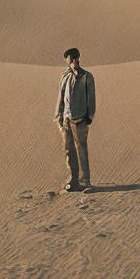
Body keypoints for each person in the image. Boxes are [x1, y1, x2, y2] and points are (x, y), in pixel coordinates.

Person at [54, 47, 95, 192]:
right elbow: (61, 97)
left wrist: (89, 117)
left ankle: (85, 181)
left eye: (70, 58)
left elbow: (91, 98)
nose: (69, 61)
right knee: (68, 150)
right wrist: (58, 117)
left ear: (75, 58)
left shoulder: (85, 77)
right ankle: (73, 180)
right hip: (66, 119)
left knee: (81, 149)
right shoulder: (65, 76)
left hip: (80, 119)